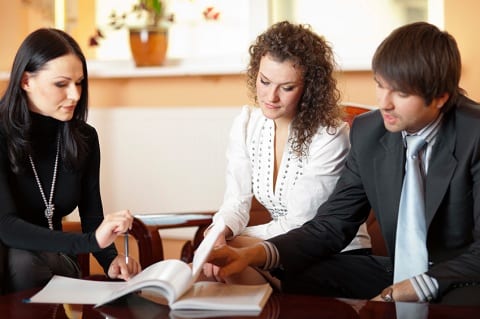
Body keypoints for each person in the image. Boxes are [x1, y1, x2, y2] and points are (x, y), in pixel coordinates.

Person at [207, 21, 480, 306]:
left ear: (440, 97)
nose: (384, 103)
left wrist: (408, 289)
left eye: (400, 93)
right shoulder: (368, 131)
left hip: (462, 277)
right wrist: (251, 255)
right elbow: (332, 226)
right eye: (380, 85)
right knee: (277, 270)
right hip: (396, 271)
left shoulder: (474, 134)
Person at [203, 21, 371, 284]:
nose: (271, 96)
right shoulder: (246, 124)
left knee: (227, 270)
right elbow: (236, 202)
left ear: (309, 87)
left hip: (332, 255)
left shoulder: (330, 137)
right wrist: (219, 232)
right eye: (265, 81)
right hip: (276, 251)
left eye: (287, 87)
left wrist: (237, 245)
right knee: (217, 271)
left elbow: (300, 225)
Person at [0, 28, 141, 293]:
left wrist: (111, 261)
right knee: (23, 260)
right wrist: (90, 242)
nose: (75, 95)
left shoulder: (84, 138)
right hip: (9, 266)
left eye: (79, 83)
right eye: (61, 84)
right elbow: (6, 227)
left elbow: (92, 215)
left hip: (56, 263)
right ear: (25, 81)